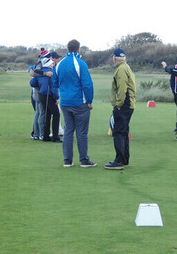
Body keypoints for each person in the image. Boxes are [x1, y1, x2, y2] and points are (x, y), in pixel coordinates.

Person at [54, 39, 96, 167]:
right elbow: (87, 84)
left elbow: (54, 83)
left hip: (65, 103)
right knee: (81, 132)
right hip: (80, 103)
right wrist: (89, 100)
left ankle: (67, 160)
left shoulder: (59, 64)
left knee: (68, 131)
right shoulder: (81, 64)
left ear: (67, 49)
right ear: (79, 49)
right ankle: (83, 160)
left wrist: (60, 95)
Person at [105, 48, 136, 170]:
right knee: (123, 132)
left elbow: (122, 89)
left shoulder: (121, 69)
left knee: (118, 132)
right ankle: (124, 159)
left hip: (123, 105)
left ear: (115, 58)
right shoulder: (126, 67)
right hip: (128, 104)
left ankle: (119, 161)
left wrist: (118, 105)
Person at [42, 52, 61, 142]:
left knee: (47, 115)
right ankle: (55, 136)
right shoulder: (51, 72)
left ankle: (45, 136)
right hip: (50, 95)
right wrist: (57, 97)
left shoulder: (42, 72)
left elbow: (32, 83)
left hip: (42, 95)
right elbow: (54, 87)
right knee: (56, 114)